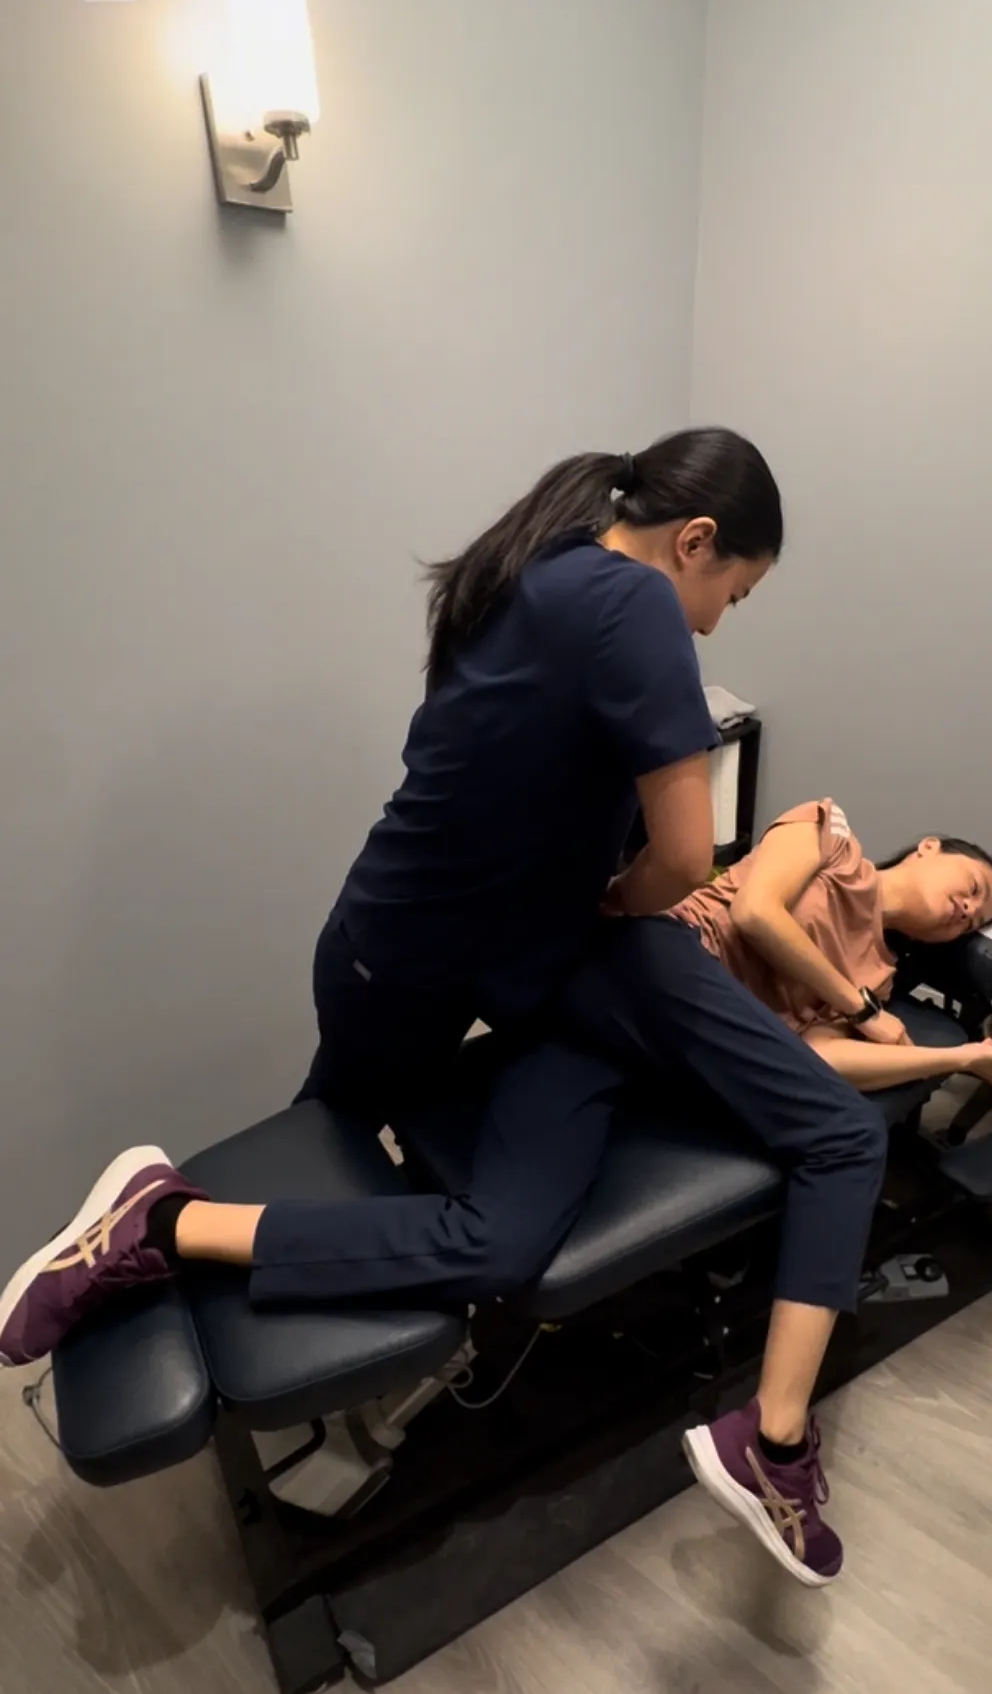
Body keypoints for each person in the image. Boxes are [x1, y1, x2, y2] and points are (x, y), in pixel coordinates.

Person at [2, 428, 887, 1589]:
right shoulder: (630, 603)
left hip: (483, 955)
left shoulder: (542, 564)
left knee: (415, 1186)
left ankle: (168, 1234)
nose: (720, 621)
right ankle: (165, 1245)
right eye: (733, 590)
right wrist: (621, 903)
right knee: (330, 1138)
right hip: (425, 955)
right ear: (698, 540)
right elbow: (684, 857)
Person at [669, 797, 992, 1093]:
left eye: (972, 923)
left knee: (854, 1131)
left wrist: (966, 1058)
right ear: (929, 847)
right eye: (975, 888)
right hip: (673, 951)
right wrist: (862, 1009)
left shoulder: (879, 977)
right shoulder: (832, 836)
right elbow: (756, 912)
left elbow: (820, 1057)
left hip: (708, 1038)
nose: (968, 909)